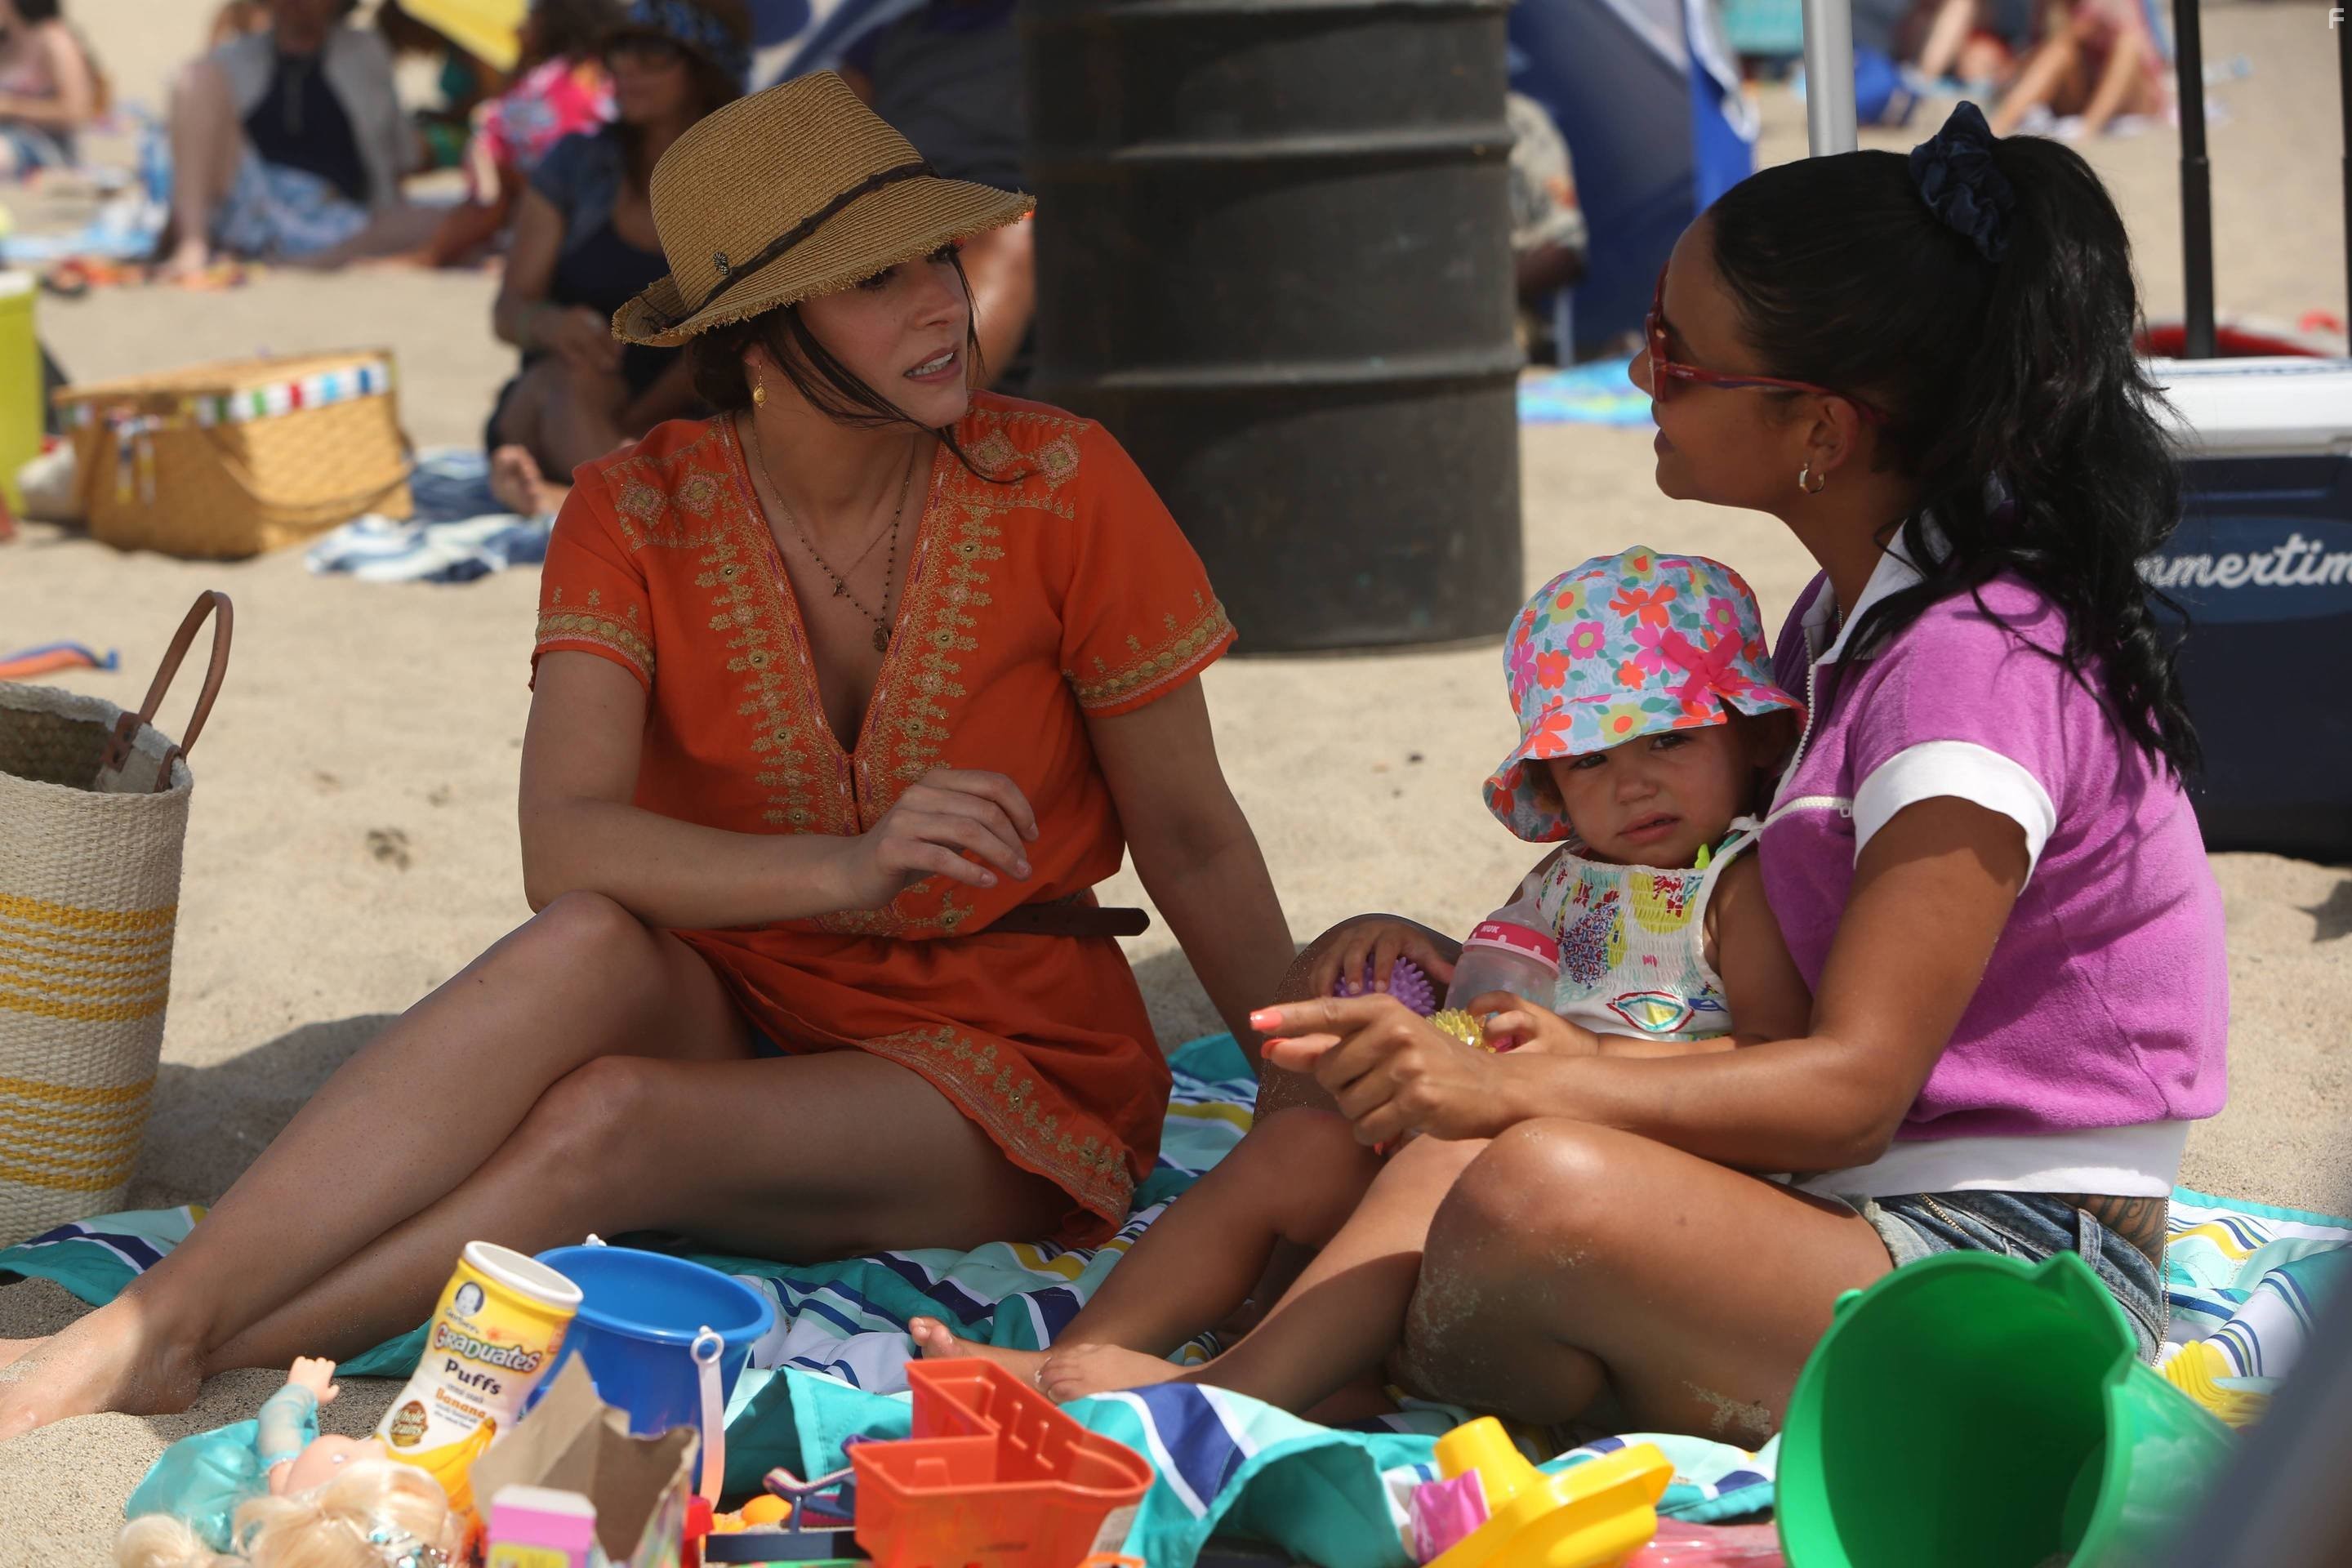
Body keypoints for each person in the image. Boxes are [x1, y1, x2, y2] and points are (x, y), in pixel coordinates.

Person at [0, 69, 1291, 1441]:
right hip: (743, 989)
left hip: (1005, 1050)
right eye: (871, 282)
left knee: (610, 1115)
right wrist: (848, 865)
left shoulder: (1064, 482)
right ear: (753, 333)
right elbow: (564, 851)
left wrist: (1301, 1095)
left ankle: (203, 1335)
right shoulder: (636, 503)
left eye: (935, 259)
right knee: (584, 950)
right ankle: (159, 1323)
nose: (939, 303)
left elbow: (1195, 835)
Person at [1245, 100, 2225, 1443]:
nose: (1640, 374)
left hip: (2006, 1275)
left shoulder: (1970, 673)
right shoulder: (1846, 619)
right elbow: (1726, 932)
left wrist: (1525, 1082)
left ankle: (1223, 1401)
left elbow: (1853, 1087)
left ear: (1817, 423)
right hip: (1852, 1200)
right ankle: (1369, 1365)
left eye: (1677, 353)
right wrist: (1472, 984)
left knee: (1529, 1189)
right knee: (1372, 1081)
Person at [911, 550, 1815, 1414]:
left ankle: (1226, 1397)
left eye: (1669, 738)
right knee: (1296, 1148)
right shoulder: (1571, 875)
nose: (1632, 785)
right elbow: (1514, 983)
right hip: (1483, 1140)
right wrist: (1422, 954)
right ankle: (1080, 1355)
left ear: (1756, 734)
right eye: (1590, 760)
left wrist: (1585, 1059)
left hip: (1620, 1185)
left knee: (1438, 1161)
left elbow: (1774, 1065)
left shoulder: (1738, 887)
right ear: (1551, 781)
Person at [484, 0, 746, 518]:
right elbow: (508, 310)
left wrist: (635, 420)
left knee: (585, 402)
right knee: (570, 379)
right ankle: (622, 509)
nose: (626, 66)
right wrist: (551, 324)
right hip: (566, 391)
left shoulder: (741, 180)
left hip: (687, 409)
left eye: (651, 51)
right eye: (618, 49)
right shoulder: (577, 162)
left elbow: (737, 334)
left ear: (706, 68)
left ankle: (576, 499)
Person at [162, 0, 434, 278]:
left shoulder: (364, 53)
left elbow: (398, 156)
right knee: (195, 77)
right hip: (253, 203)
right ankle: (193, 246)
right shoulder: (234, 58)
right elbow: (197, 150)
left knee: (446, 218)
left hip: (340, 217)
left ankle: (324, 259)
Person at [840, 0, 1031, 390]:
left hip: (1011, 208)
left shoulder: (1070, 21)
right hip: (901, 213)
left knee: (1015, 234)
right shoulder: (880, 45)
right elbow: (829, 146)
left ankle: (923, 415)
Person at [421, 0, 617, 268]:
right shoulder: (577, 72)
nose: (517, 28)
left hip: (549, 196)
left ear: (553, 23)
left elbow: (527, 140)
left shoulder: (562, 79)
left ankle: (428, 257)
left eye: (529, 19)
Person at [1989, 0, 2167, 139]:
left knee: (2128, 45)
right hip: (2081, 93)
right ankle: (1997, 126)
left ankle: (2089, 128)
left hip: (2132, 96)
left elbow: (2147, 57)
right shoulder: (2051, 7)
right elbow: (2041, 51)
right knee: (2060, 49)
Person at [0, 0, 100, 176]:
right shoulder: (6, 41)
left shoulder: (54, 39)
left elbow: (76, 112)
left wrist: (11, 107)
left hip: (44, 146)